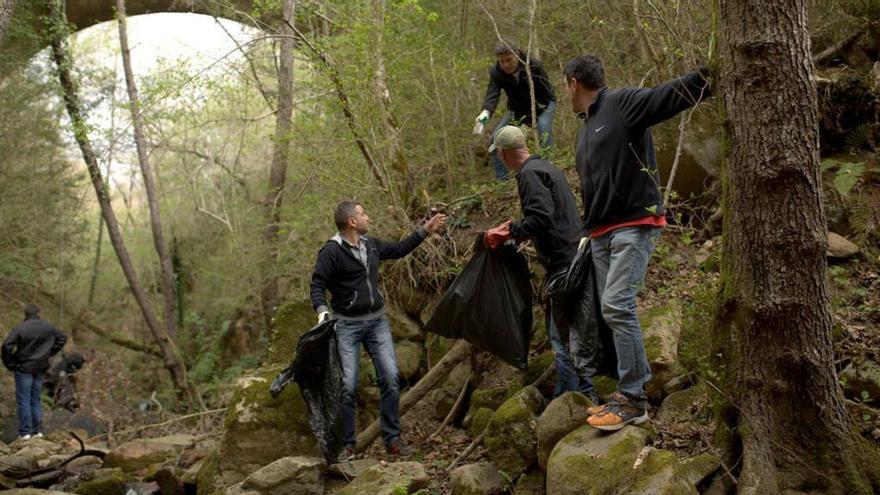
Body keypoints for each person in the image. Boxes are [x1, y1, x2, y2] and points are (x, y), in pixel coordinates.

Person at [563, 54, 710, 431]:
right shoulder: (587, 126)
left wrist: (709, 76)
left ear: (573, 83)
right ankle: (625, 391)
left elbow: (667, 96)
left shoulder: (620, 103)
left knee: (617, 305)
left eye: (566, 86)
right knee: (609, 310)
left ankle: (634, 398)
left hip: (634, 223)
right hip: (600, 233)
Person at [310, 201, 446, 461]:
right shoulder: (331, 252)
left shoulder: (370, 245)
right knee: (347, 386)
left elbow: (398, 249)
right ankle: (347, 446)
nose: (368, 217)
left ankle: (392, 440)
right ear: (351, 221)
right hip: (346, 325)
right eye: (363, 214)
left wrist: (425, 230)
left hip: (376, 323)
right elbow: (317, 285)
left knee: (391, 379)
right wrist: (322, 311)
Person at [483, 125, 596, 401]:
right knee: (571, 330)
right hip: (576, 254)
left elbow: (541, 218)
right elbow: (548, 216)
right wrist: (517, 228)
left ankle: (574, 398)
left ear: (503, 153)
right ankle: (575, 393)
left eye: (498, 155)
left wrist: (510, 232)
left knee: (561, 337)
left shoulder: (528, 175)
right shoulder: (546, 168)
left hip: (563, 263)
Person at [475, 39, 556, 181]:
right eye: (501, 61)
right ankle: (503, 182)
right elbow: (492, 94)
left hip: (544, 105)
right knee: (495, 140)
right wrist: (486, 112)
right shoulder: (497, 72)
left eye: (509, 60)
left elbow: (545, 93)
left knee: (543, 126)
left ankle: (548, 167)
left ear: (517, 54)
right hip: (518, 110)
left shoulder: (533, 65)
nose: (506, 65)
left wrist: (533, 118)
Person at [2, 304, 68, 441]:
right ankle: (37, 431)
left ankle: (26, 433)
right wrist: (50, 352)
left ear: (25, 314)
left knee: (24, 400)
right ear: (39, 313)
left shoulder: (21, 327)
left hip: (23, 367)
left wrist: (10, 363)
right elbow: (62, 338)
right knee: (35, 399)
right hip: (41, 367)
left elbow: (6, 345)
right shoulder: (48, 326)